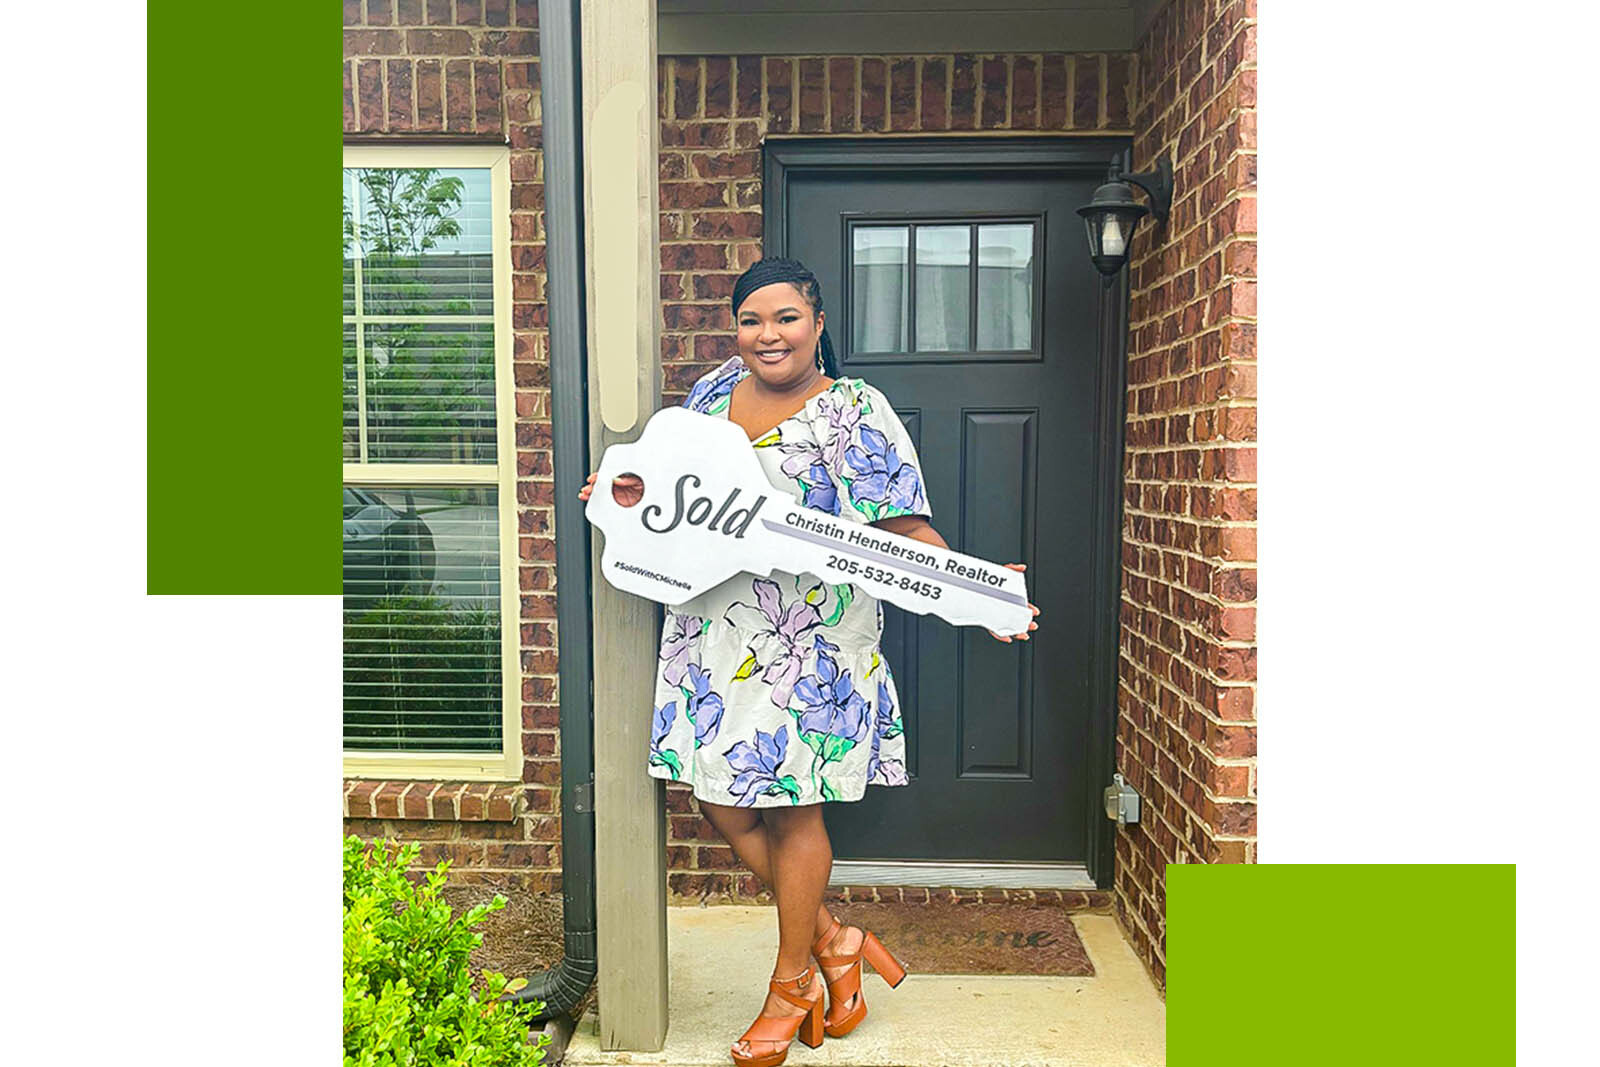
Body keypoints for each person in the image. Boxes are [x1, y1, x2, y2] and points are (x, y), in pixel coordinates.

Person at [578, 256, 1039, 1067]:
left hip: (810, 642)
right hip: (711, 634)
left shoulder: (855, 411)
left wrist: (980, 591)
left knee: (795, 809)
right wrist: (622, 493)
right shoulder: (713, 397)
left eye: (786, 317)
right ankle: (837, 938)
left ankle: (791, 982)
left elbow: (900, 527)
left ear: (818, 325)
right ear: (736, 329)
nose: (769, 334)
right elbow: (668, 492)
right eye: (753, 319)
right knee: (718, 797)